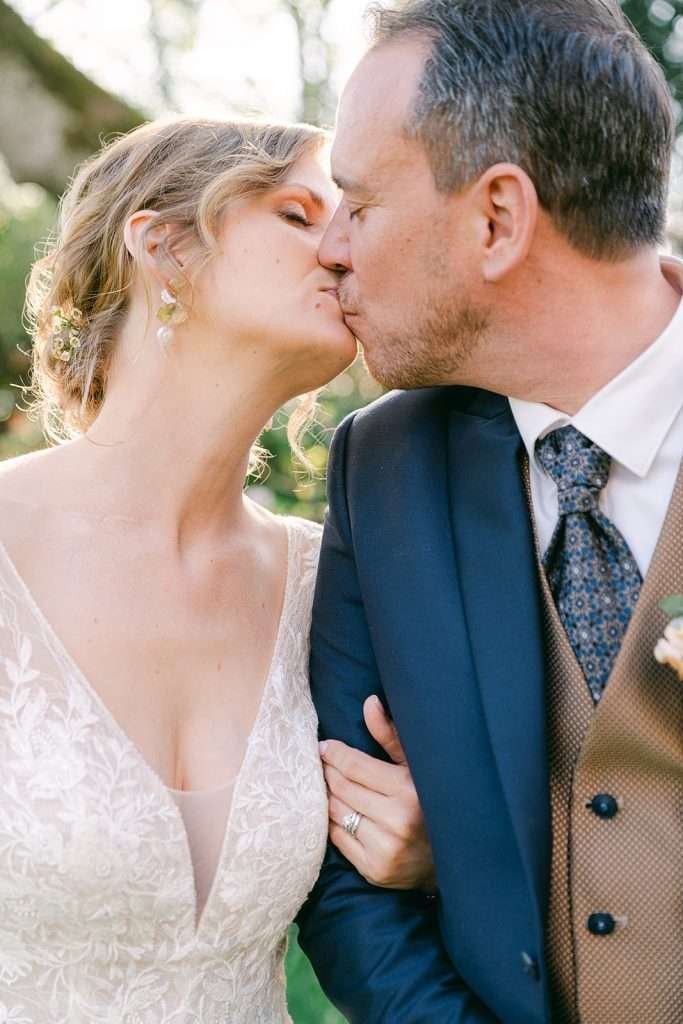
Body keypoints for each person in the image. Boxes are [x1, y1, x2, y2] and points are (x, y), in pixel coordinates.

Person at [297, 1, 683, 1022]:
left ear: (497, 219)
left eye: (359, 204)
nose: (328, 250)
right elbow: (347, 888)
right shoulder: (379, 470)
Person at [0, 116, 433, 1022]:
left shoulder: (332, 582)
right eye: (298, 213)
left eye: (350, 217)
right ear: (164, 249)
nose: (345, 247)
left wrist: (427, 853)